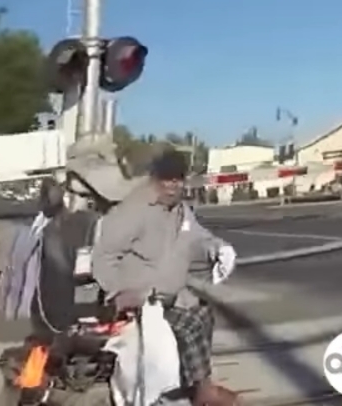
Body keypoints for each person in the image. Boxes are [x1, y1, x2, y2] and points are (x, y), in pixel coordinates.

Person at [92, 148, 237, 406]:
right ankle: (203, 391)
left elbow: (198, 237)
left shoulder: (181, 211)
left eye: (178, 180)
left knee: (204, 314)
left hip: (169, 297)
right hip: (140, 300)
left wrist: (218, 248)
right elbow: (105, 255)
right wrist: (117, 292)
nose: (172, 186)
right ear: (154, 179)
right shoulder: (133, 211)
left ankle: (193, 379)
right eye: (166, 179)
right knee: (190, 326)